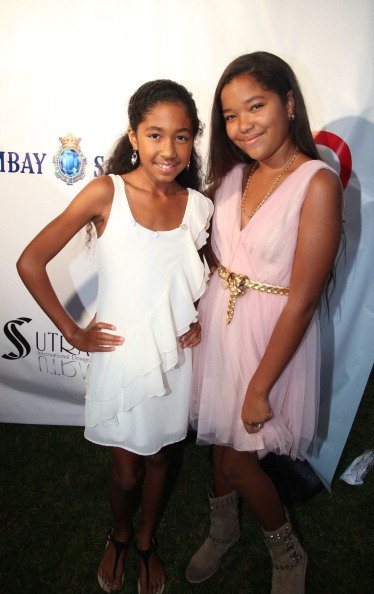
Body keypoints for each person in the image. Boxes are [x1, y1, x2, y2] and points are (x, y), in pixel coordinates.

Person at [17, 79, 213, 594]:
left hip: (173, 359)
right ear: (133, 136)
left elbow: (190, 274)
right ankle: (120, 532)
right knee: (126, 472)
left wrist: (195, 317)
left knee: (162, 457)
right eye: (155, 134)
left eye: (181, 136)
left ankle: (146, 539)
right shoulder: (107, 192)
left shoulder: (199, 205)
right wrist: (73, 331)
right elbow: (30, 261)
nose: (168, 149)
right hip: (121, 358)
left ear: (193, 139)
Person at [186, 52, 342, 594]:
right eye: (230, 115)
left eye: (256, 106)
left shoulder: (316, 183)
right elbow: (214, 257)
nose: (242, 125)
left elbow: (303, 301)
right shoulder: (234, 174)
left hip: (269, 342)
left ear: (289, 103)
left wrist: (260, 387)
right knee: (218, 441)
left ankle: (286, 550)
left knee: (238, 462)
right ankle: (223, 529)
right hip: (220, 331)